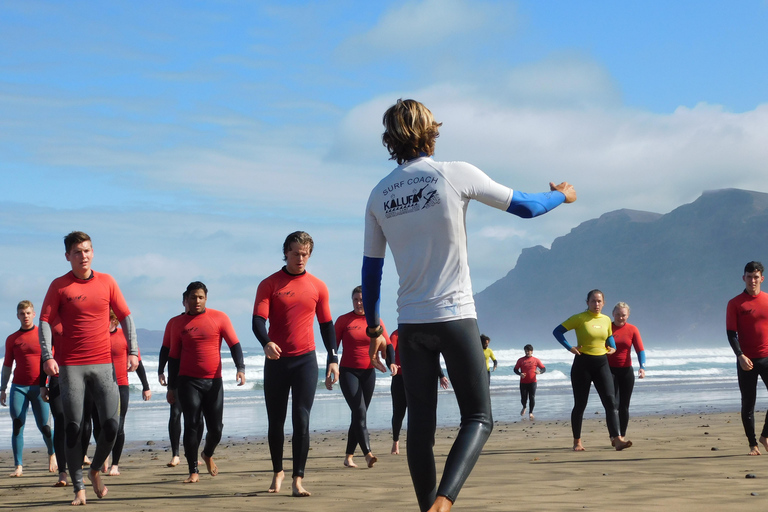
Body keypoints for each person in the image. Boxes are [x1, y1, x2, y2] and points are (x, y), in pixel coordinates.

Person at [363, 99, 576, 512]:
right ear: (431, 130)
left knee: (420, 428)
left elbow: (371, 272)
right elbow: (528, 207)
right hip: (455, 317)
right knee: (478, 418)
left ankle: (428, 509)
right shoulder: (452, 172)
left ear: (390, 138)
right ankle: (443, 503)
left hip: (410, 326)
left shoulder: (378, 194)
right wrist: (561, 196)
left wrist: (375, 329)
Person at [38, 231, 139, 505]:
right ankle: (79, 487)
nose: (83, 256)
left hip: (103, 365)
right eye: (77, 252)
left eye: (87, 250)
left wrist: (132, 350)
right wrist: (48, 356)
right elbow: (45, 320)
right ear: (67, 256)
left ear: (92, 252)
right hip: (71, 368)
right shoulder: (59, 286)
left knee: (111, 426)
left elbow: (126, 315)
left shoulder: (107, 282)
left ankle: (95, 469)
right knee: (73, 427)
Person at [252, 231, 339, 497]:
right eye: (295, 253)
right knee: (276, 421)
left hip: (305, 361)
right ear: (286, 252)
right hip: (277, 361)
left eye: (305, 254)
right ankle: (278, 470)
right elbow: (257, 321)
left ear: (309, 254)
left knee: (301, 420)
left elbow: (326, 326)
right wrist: (266, 342)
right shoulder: (269, 284)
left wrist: (333, 358)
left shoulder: (318, 286)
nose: (300, 258)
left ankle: (297, 479)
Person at [166, 281, 246, 483]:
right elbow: (173, 357)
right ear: (187, 299)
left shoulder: (219, 318)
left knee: (216, 429)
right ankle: (193, 471)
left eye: (201, 297)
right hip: (188, 381)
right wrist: (171, 387)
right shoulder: (178, 324)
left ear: (206, 298)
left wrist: (240, 369)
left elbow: (234, 344)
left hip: (213, 382)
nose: (197, 301)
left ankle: (207, 453)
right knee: (191, 424)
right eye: (193, 297)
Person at [553, 289, 632, 452]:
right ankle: (577, 442)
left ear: (604, 303)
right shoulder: (579, 318)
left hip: (602, 363)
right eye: (593, 301)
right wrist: (570, 347)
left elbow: (609, 336)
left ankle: (617, 439)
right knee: (580, 404)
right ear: (587, 302)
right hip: (582, 364)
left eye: (599, 301)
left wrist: (613, 347)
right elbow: (558, 331)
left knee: (611, 402)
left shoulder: (605, 320)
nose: (596, 304)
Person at [333, 285, 393, 468]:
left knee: (358, 415)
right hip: (348, 372)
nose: (359, 303)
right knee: (360, 412)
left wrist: (392, 362)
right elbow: (333, 347)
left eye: (361, 299)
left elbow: (388, 344)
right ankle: (368, 454)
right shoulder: (343, 320)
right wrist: (332, 367)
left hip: (368, 373)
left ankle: (348, 456)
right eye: (356, 300)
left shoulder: (375, 321)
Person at [91, 310, 152, 476]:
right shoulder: (95, 338)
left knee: (119, 426)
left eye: (107, 320)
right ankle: (103, 455)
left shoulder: (125, 337)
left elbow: (138, 363)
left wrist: (146, 386)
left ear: (114, 321)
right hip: (98, 387)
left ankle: (115, 464)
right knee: (98, 426)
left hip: (120, 385)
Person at [1, 300, 55, 477]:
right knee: (18, 424)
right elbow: (7, 366)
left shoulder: (44, 335)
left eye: (28, 313)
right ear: (17, 316)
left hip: (40, 387)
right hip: (19, 388)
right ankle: (18, 466)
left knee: (45, 427)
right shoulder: (12, 339)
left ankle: (52, 453)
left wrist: (51, 385)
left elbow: (53, 361)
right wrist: (2, 388)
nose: (25, 316)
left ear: (33, 314)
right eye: (22, 313)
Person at [726, 261, 768, 455]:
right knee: (748, 402)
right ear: (744, 278)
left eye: (756, 277)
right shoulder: (735, 303)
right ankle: (753, 444)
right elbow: (731, 333)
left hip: (767, 357)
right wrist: (740, 355)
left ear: (762, 278)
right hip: (746, 360)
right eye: (749, 277)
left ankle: (764, 435)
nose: (752, 280)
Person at [389, 328, 449, 456]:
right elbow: (390, 352)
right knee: (399, 411)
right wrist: (391, 363)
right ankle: (396, 441)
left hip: (418, 378)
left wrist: (441, 375)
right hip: (400, 378)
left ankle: (427, 441)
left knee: (420, 412)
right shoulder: (397, 334)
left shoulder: (422, 334)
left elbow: (432, 357)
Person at [608, 302, 645, 439]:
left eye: (623, 315)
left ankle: (621, 435)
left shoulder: (632, 329)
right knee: (612, 404)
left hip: (626, 371)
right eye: (618, 314)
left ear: (628, 315)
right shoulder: (607, 328)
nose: (620, 317)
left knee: (624, 406)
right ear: (613, 314)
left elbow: (640, 350)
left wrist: (642, 367)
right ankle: (614, 435)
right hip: (609, 371)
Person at [514, 344, 546, 420]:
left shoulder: (536, 360)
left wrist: (540, 372)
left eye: (529, 351)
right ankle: (524, 407)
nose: (527, 352)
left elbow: (543, 368)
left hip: (533, 382)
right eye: (526, 351)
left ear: (532, 351)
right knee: (523, 398)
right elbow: (515, 369)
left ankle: (531, 412)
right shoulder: (521, 360)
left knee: (532, 397)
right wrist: (520, 374)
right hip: (523, 382)